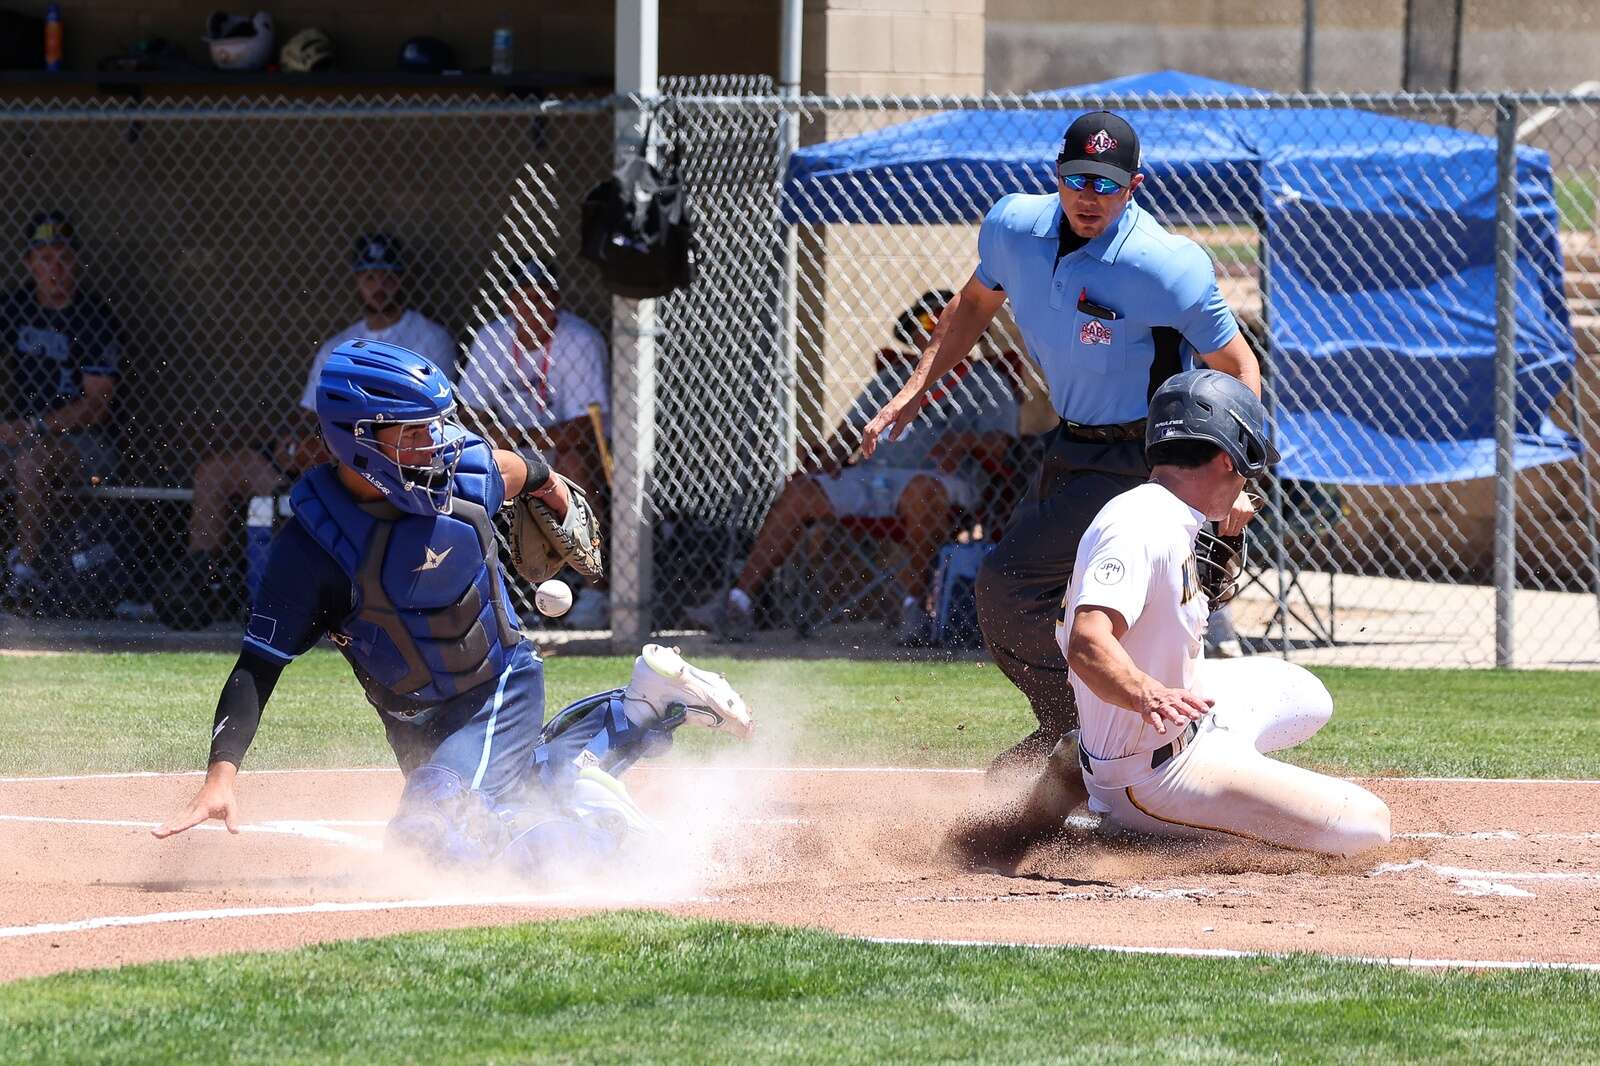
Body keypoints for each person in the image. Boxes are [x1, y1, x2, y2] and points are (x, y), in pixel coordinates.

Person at [153, 341, 753, 882]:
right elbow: (257, 667)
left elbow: (527, 470)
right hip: (414, 722)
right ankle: (639, 708)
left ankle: (624, 850)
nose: (433, 444)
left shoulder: (464, 476)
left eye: (434, 427)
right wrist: (220, 777)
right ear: (357, 439)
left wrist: (555, 495)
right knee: (513, 797)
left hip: (497, 692)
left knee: (429, 840)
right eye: (411, 433)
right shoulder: (312, 550)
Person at [861, 110, 1263, 776]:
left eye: (1106, 184)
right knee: (1057, 604)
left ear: (1133, 186)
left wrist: (1234, 479)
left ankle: (1080, 735)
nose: (1089, 196)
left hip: (1144, 460)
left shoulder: (1164, 264)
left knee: (1009, 585)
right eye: (1077, 178)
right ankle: (1080, 740)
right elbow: (970, 307)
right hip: (1070, 445)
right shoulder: (1012, 227)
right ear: (1057, 174)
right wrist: (915, 388)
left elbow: (1237, 367)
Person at [947, 370, 1389, 870]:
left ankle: (1123, 760)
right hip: (1152, 774)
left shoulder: (1169, 510)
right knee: (1368, 826)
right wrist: (1145, 693)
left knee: (1309, 697)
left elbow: (1174, 620)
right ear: (1227, 457)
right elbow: (1089, 642)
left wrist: (1217, 514)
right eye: (1244, 466)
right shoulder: (1139, 526)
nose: (1247, 480)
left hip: (1177, 724)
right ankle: (1128, 813)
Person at [686, 291, 1019, 643]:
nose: (934, 328)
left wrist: (964, 441)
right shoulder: (893, 378)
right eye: (926, 322)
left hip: (941, 482)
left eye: (944, 320)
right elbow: (850, 433)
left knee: (921, 491)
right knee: (802, 491)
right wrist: (828, 455)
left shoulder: (985, 381)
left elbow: (1004, 445)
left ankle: (915, 610)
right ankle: (739, 603)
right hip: (873, 477)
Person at [168, 233, 457, 626]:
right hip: (328, 451)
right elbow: (310, 415)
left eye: (387, 276)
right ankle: (199, 585)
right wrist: (295, 444)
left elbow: (424, 418)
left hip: (389, 460)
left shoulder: (428, 337)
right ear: (357, 281)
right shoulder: (340, 344)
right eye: (369, 276)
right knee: (214, 472)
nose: (378, 285)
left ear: (402, 279)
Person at [459, 261, 611, 628]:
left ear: (557, 300)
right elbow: (467, 413)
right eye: (524, 298)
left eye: (542, 297)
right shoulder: (491, 338)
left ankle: (596, 587)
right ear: (510, 302)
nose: (533, 307)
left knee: (574, 462)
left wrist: (518, 439)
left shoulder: (579, 340)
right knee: (466, 463)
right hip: (511, 448)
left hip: (560, 450)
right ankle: (473, 587)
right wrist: (507, 441)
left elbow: (584, 428)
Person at [0, 211, 124, 611]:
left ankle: (26, 574)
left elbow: (96, 407)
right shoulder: (13, 308)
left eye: (64, 257)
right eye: (45, 257)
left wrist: (34, 426)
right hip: (20, 435)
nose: (55, 267)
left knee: (30, 464)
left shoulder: (93, 318)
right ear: (29, 263)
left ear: (77, 262)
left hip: (84, 444)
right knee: (22, 460)